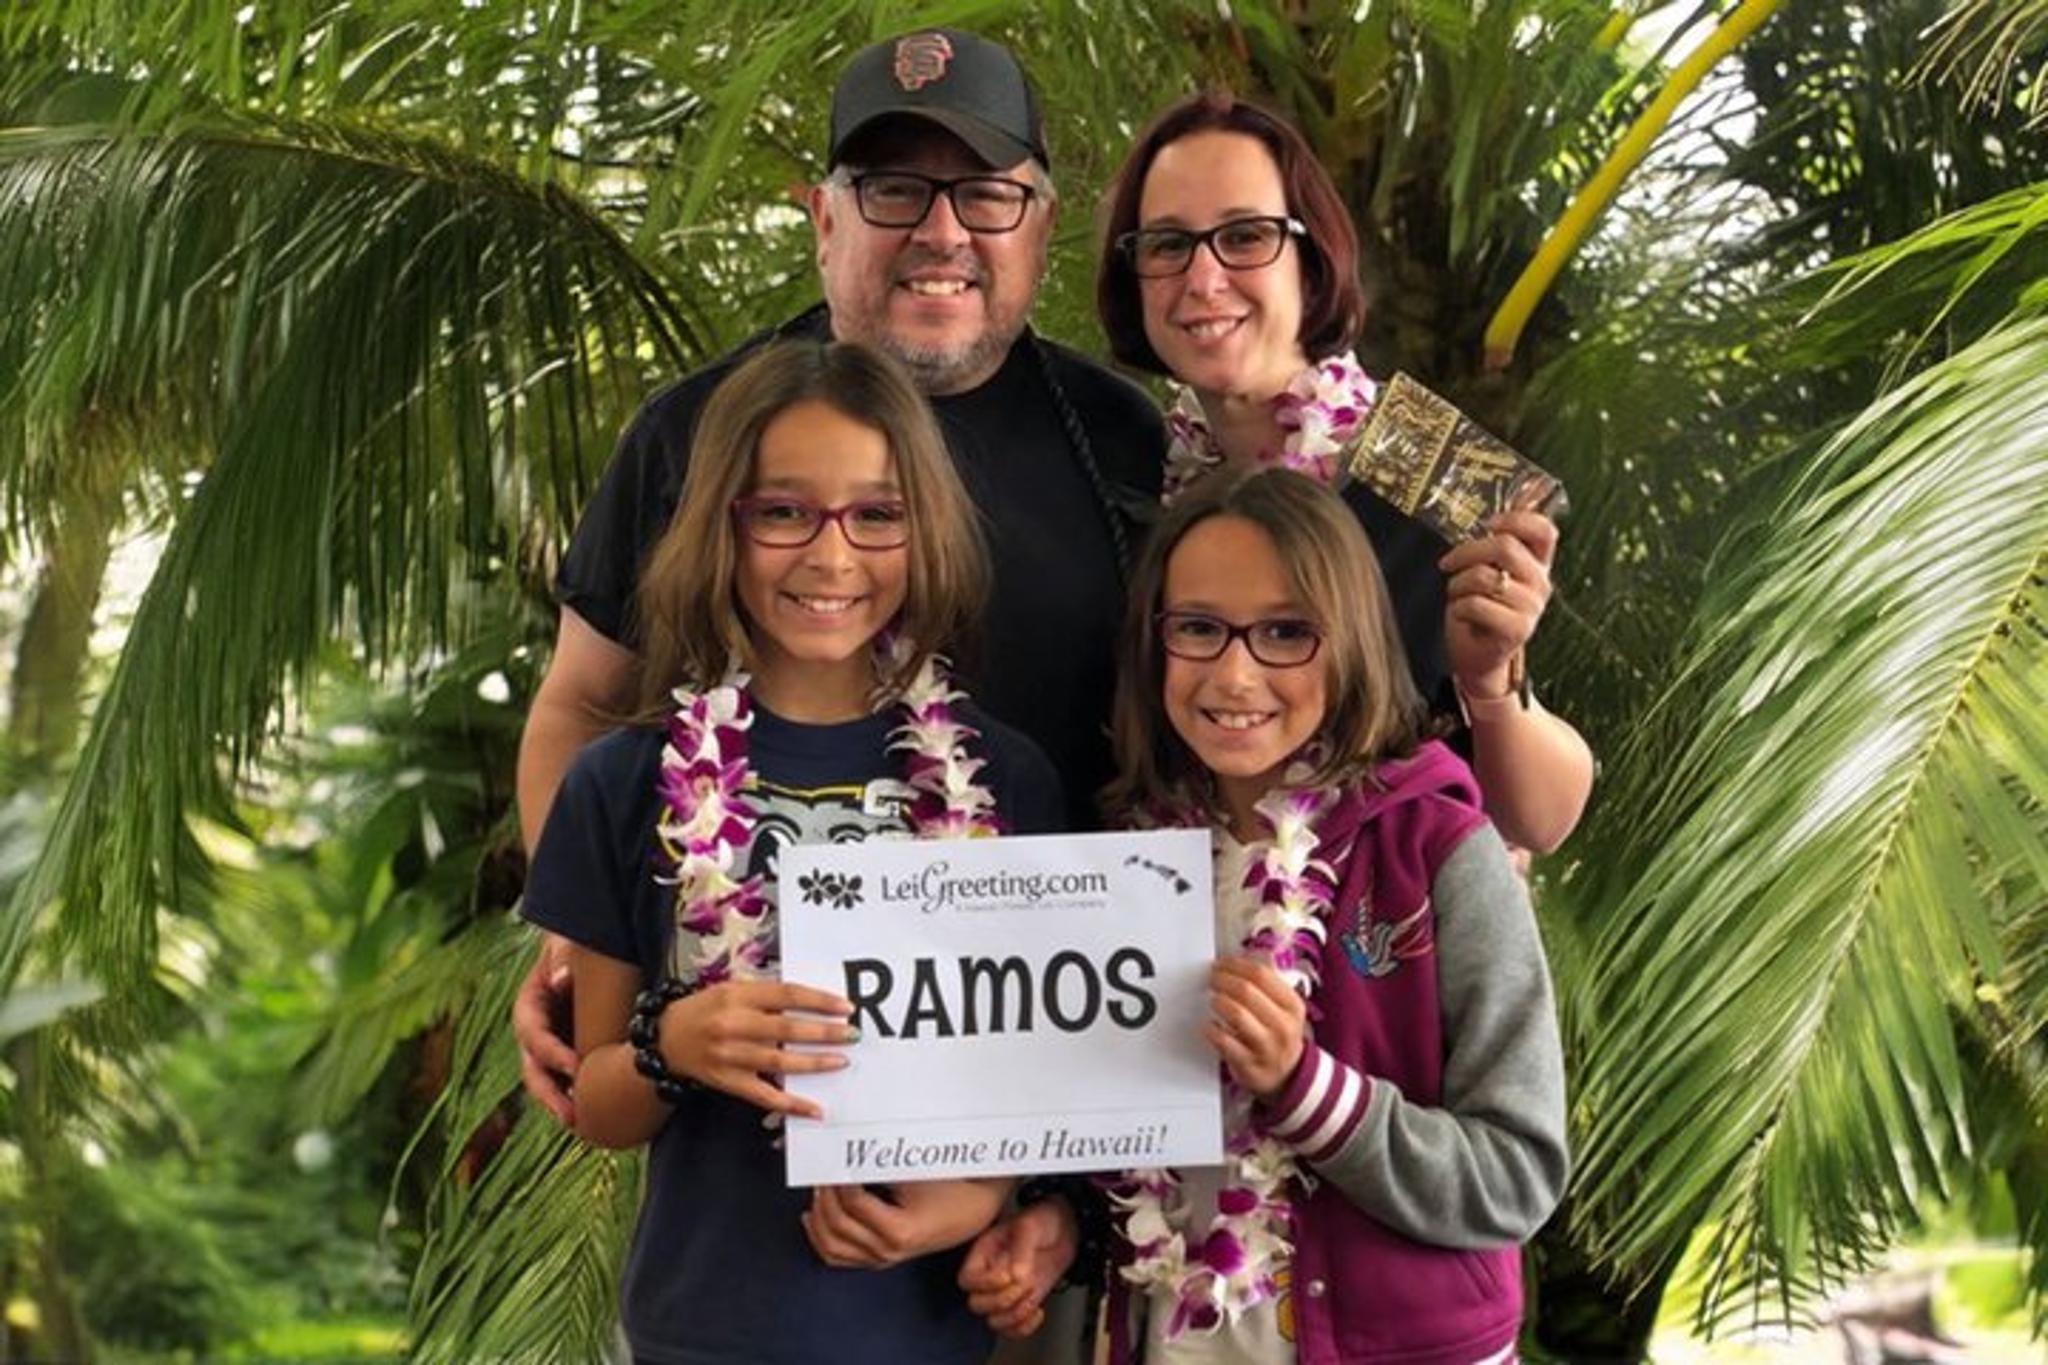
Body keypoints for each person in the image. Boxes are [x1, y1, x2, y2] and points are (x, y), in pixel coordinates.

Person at [515, 27, 1163, 1123]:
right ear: (824, 220)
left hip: (1056, 1081)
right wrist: (581, 940)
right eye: (893, 190)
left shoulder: (1124, 440)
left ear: (1040, 226)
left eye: (985, 195)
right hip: (749, 1077)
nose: (941, 231)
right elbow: (579, 700)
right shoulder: (696, 434)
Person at [523, 339, 1068, 1364]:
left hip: (927, 1334)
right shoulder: (619, 783)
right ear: (721, 525)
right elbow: (594, 1103)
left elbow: (1037, 1092)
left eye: (876, 515)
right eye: (782, 512)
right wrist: (673, 1045)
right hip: (700, 1331)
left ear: (926, 531)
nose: (830, 558)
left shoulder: (1006, 779)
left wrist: (971, 1203)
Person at [988, 463, 1567, 1362]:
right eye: (1198, 628)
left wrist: (1306, 1084)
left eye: (1287, 632)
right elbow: (1126, 1142)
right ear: (1152, 642)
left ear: (1352, 642)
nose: (1235, 670)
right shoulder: (1122, 862)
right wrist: (1061, 1220)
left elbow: (1516, 1175)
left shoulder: (1438, 852)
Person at [1094, 91, 1593, 856]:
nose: (1203, 279)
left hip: (1393, 946)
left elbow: (1542, 823)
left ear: (1312, 258)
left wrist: (1493, 688)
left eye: (1245, 235)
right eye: (1167, 245)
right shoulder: (1130, 470)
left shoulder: (1432, 461)